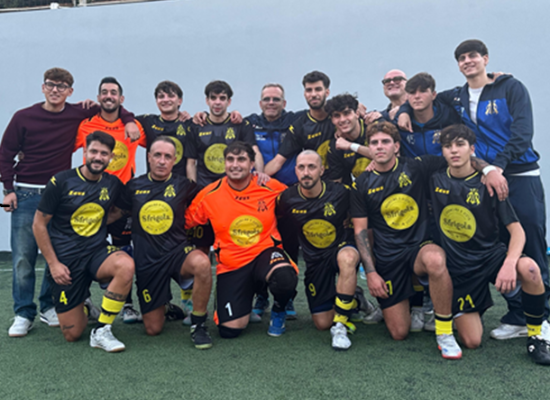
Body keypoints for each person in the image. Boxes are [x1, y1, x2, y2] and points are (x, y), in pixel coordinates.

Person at [398, 39, 550, 339]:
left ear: (486, 59)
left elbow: (522, 134)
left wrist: (496, 168)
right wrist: (403, 108)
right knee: (496, 240)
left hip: (519, 173)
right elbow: (421, 97)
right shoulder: (456, 96)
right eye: (462, 58)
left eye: (473, 56)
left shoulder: (511, 87)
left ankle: (542, 318)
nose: (468, 61)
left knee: (530, 242)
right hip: (484, 174)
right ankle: (517, 316)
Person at [0, 68, 138, 337]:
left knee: (57, 253)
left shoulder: (77, 113)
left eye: (62, 86)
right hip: (26, 192)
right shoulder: (22, 117)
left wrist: (130, 119)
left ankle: (48, 305)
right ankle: (23, 313)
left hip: (62, 195)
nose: (55, 90)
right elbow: (5, 153)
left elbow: (111, 105)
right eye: (51, 85)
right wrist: (7, 190)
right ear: (43, 87)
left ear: (70, 91)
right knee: (23, 257)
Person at [430, 124, 550, 364]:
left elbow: (517, 231)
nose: (454, 151)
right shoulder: (434, 179)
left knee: (530, 269)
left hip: (491, 257)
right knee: (472, 341)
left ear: (472, 149)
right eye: (448, 146)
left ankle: (537, 335)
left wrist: (510, 263)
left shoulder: (488, 184)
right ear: (442, 151)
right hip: (461, 268)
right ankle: (462, 312)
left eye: (460, 145)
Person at [350, 121, 462, 359]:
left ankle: (444, 332)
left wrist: (489, 170)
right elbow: (361, 232)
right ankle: (408, 305)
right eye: (374, 143)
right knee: (399, 332)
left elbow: (457, 161)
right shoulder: (361, 183)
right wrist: (371, 272)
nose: (380, 147)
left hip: (417, 248)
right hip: (388, 256)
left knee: (435, 259)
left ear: (396, 146)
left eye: (385, 142)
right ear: (369, 148)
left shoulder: (415, 167)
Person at [32, 131, 135, 352]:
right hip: (66, 259)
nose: (98, 157)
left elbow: (121, 209)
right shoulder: (61, 181)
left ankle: (102, 330)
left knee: (126, 264)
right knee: (72, 334)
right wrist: (53, 264)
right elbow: (38, 224)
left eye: (104, 154)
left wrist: (100, 221)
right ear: (85, 152)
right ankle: (84, 306)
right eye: (94, 151)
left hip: (97, 252)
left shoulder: (112, 183)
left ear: (111, 157)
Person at [185, 141, 298, 338]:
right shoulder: (209, 194)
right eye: (230, 159)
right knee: (229, 330)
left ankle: (279, 309)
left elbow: (300, 204)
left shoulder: (270, 187)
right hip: (232, 264)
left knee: (284, 277)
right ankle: (246, 297)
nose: (235, 165)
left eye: (241, 159)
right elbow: (185, 223)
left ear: (252, 164)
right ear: (224, 163)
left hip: (265, 254)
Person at [118, 137, 213, 349]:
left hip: (177, 253)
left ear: (174, 160)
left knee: (202, 263)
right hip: (148, 260)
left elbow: (211, 199)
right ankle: (165, 307)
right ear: (149, 157)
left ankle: (198, 324)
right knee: (153, 329)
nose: (162, 161)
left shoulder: (184, 185)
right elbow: (116, 213)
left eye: (167, 157)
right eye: (157, 155)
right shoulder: (133, 186)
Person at [277, 150, 375, 350]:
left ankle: (340, 326)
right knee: (322, 323)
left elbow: (363, 213)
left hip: (340, 248)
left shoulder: (341, 192)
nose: (306, 172)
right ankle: (355, 299)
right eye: (301, 167)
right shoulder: (287, 198)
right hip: (315, 260)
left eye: (312, 167)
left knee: (348, 258)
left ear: (321, 170)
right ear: (295, 171)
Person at [75, 76, 147, 324]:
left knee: (124, 249)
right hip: (91, 197)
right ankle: (84, 299)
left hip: (122, 200)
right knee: (85, 246)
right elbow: (62, 146)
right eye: (104, 92)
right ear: (98, 97)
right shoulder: (86, 125)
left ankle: (127, 305)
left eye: (113, 92)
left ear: (121, 98)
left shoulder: (133, 126)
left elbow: (164, 139)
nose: (109, 96)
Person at [136, 80, 195, 324]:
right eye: (161, 96)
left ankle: (188, 300)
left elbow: (191, 160)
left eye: (171, 96)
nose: (166, 100)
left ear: (180, 100)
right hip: (152, 193)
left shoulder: (190, 123)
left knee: (183, 244)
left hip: (179, 192)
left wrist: (192, 190)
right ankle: (160, 301)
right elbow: (121, 117)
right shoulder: (147, 122)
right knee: (154, 241)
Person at [246, 83, 303, 319]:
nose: (271, 103)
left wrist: (361, 109)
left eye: (276, 99)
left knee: (289, 245)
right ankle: (261, 295)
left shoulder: (296, 120)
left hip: (289, 193)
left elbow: (327, 111)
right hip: (259, 194)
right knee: (259, 245)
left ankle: (287, 298)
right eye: (267, 99)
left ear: (284, 103)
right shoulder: (249, 123)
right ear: (260, 103)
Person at [264, 71, 334, 177]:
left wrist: (359, 108)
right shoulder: (299, 125)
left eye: (318, 89)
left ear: (327, 92)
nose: (313, 94)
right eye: (309, 90)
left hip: (344, 182)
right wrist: (257, 178)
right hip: (314, 182)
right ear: (305, 94)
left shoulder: (339, 115)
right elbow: (278, 161)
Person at [398, 73, 461, 158]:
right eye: (412, 93)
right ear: (407, 97)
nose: (417, 96)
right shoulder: (399, 122)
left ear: (433, 95)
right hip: (413, 166)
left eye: (423, 91)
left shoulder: (451, 117)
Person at [325, 94, 371, 185]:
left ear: (357, 114)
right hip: (362, 189)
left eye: (346, 113)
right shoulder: (335, 146)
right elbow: (337, 182)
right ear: (332, 120)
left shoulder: (373, 128)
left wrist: (350, 146)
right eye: (337, 116)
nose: (342, 119)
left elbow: (388, 155)